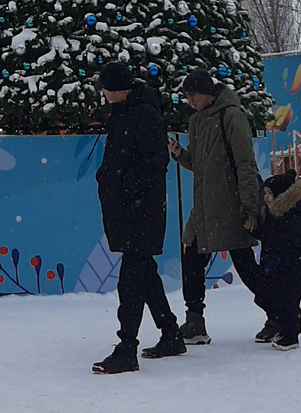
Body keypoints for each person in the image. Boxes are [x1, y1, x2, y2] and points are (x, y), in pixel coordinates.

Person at [92, 63, 184, 375]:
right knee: (144, 273)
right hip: (128, 208)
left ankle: (126, 347)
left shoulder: (144, 114)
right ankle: (170, 333)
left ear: (117, 88)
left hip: (141, 209)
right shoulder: (123, 113)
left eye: (105, 87)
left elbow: (156, 162)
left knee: (130, 281)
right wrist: (106, 177)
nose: (103, 93)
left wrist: (120, 181)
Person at [169, 69, 261, 345]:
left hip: (230, 206)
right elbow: (199, 164)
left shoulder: (231, 116)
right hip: (204, 209)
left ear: (207, 92)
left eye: (193, 94)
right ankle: (194, 321)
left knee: (245, 265)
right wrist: (180, 155)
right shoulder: (196, 121)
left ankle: (278, 314)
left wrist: (250, 206)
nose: (189, 100)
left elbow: (246, 163)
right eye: (186, 95)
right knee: (192, 260)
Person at [255, 170, 301, 350]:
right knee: (276, 300)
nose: (266, 197)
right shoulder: (274, 214)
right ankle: (285, 330)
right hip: (278, 268)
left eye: (270, 193)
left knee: (289, 303)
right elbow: (266, 236)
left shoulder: (289, 215)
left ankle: (291, 336)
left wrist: (277, 256)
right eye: (265, 193)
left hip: (291, 269)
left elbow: (289, 241)